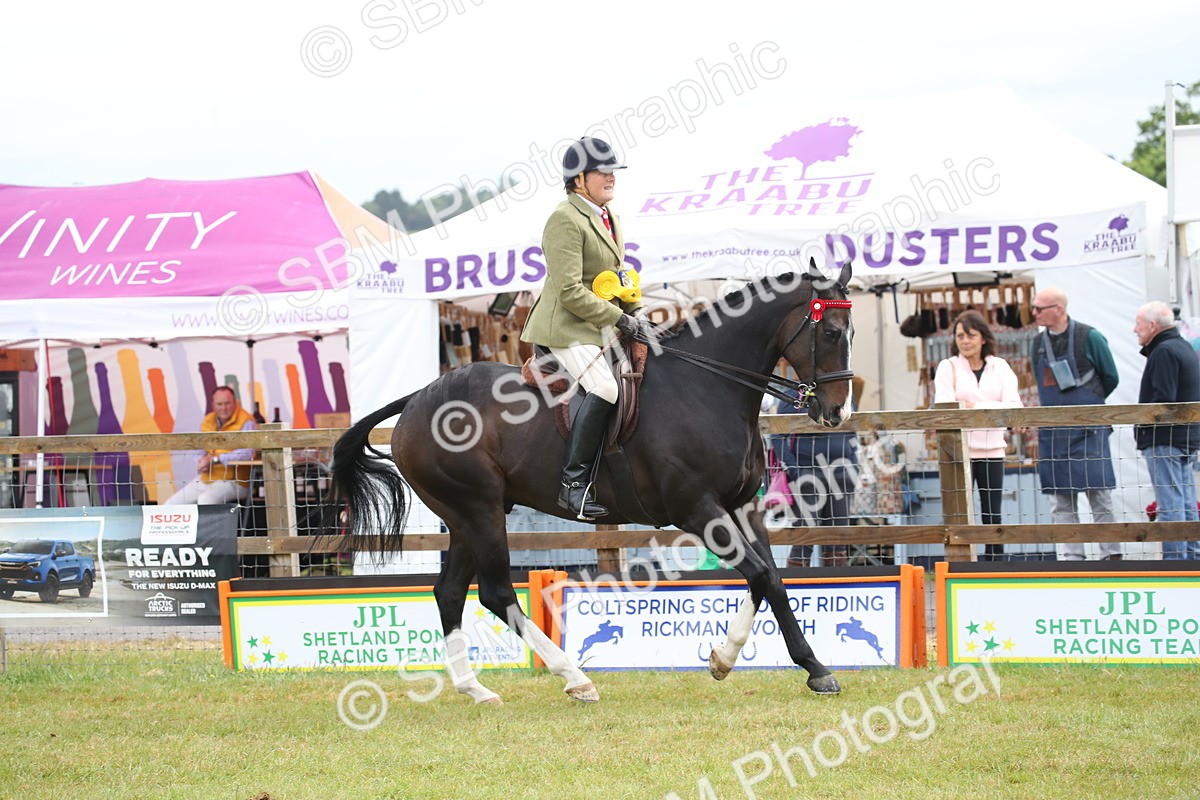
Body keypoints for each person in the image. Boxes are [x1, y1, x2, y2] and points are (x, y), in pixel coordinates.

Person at [519, 137, 649, 520]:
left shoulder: (609, 216)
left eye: (613, 171)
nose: (611, 177)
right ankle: (572, 485)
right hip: (566, 329)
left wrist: (637, 311)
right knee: (606, 388)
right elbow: (570, 291)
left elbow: (615, 278)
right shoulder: (565, 219)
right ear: (579, 179)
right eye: (602, 172)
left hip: (599, 328)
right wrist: (620, 319)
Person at [1029, 288, 1122, 560]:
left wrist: (1087, 404)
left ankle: (1111, 555)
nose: (1034, 313)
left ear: (1059, 308)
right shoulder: (1037, 345)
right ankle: (1072, 558)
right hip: (1054, 431)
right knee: (1060, 500)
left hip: (1089, 428)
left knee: (1100, 494)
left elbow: (1110, 378)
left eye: (1039, 308)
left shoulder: (1090, 337)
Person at [933, 309, 1022, 559]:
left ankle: (995, 565)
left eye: (970, 335)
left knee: (992, 512)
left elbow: (1014, 406)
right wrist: (986, 410)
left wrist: (975, 409)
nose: (965, 340)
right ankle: (961, 564)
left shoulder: (1001, 367)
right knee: (959, 513)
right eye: (960, 335)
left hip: (992, 450)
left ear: (983, 337)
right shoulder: (947, 367)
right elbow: (945, 405)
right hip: (957, 452)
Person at [1133, 301, 1200, 560]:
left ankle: (1174, 562)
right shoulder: (1181, 346)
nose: (1134, 329)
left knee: (1170, 501)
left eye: (1138, 324)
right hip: (1184, 437)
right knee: (1185, 500)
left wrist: (1140, 419)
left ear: (1152, 325)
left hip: (1165, 439)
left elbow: (1163, 400)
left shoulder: (1163, 351)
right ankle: (1192, 556)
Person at [770, 388, 858, 568]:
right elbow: (777, 436)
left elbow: (854, 430)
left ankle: (837, 587)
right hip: (807, 477)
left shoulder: (845, 393)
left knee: (838, 542)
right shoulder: (793, 397)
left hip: (841, 476)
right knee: (804, 540)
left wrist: (853, 466)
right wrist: (795, 472)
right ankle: (796, 589)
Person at [163, 386, 258, 505]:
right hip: (207, 478)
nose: (224, 408)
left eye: (227, 403)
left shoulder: (246, 420)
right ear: (213, 405)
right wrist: (200, 462)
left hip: (236, 481)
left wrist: (215, 460)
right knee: (171, 504)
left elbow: (248, 453)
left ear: (235, 403)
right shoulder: (208, 420)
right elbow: (199, 452)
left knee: (205, 500)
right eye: (220, 404)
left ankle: (208, 524)